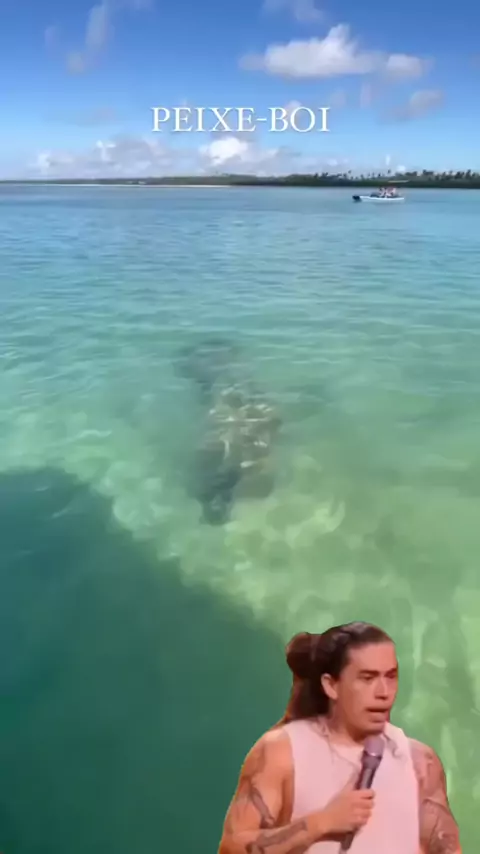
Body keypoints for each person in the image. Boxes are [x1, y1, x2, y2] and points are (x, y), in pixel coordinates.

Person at [218, 621, 461, 853]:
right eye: (368, 678)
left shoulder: (419, 762)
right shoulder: (283, 752)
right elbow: (232, 848)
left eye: (390, 676)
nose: (384, 692)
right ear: (331, 685)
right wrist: (321, 822)